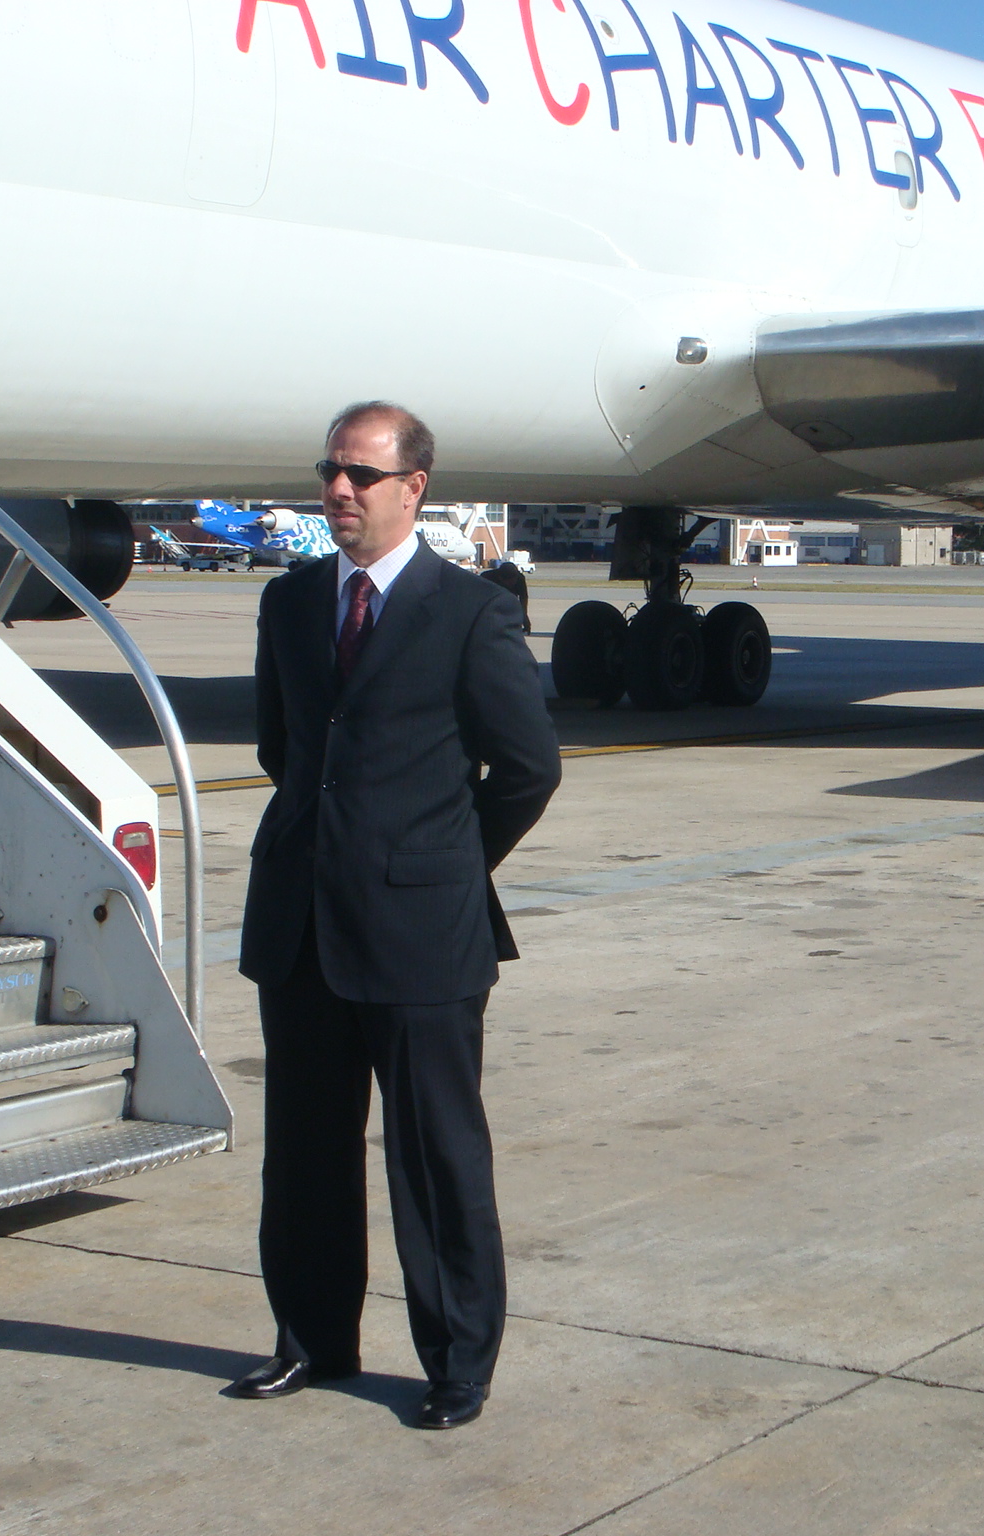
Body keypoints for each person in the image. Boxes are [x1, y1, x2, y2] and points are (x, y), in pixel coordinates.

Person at [226, 401, 561, 1430]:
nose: (339, 489)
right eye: (330, 471)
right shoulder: (290, 603)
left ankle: (457, 1362)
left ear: (413, 488)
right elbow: (283, 750)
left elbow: (527, 768)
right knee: (305, 1154)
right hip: (302, 924)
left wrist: (440, 866)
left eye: (361, 475)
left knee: (434, 1157)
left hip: (421, 930)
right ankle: (312, 1340)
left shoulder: (469, 611)